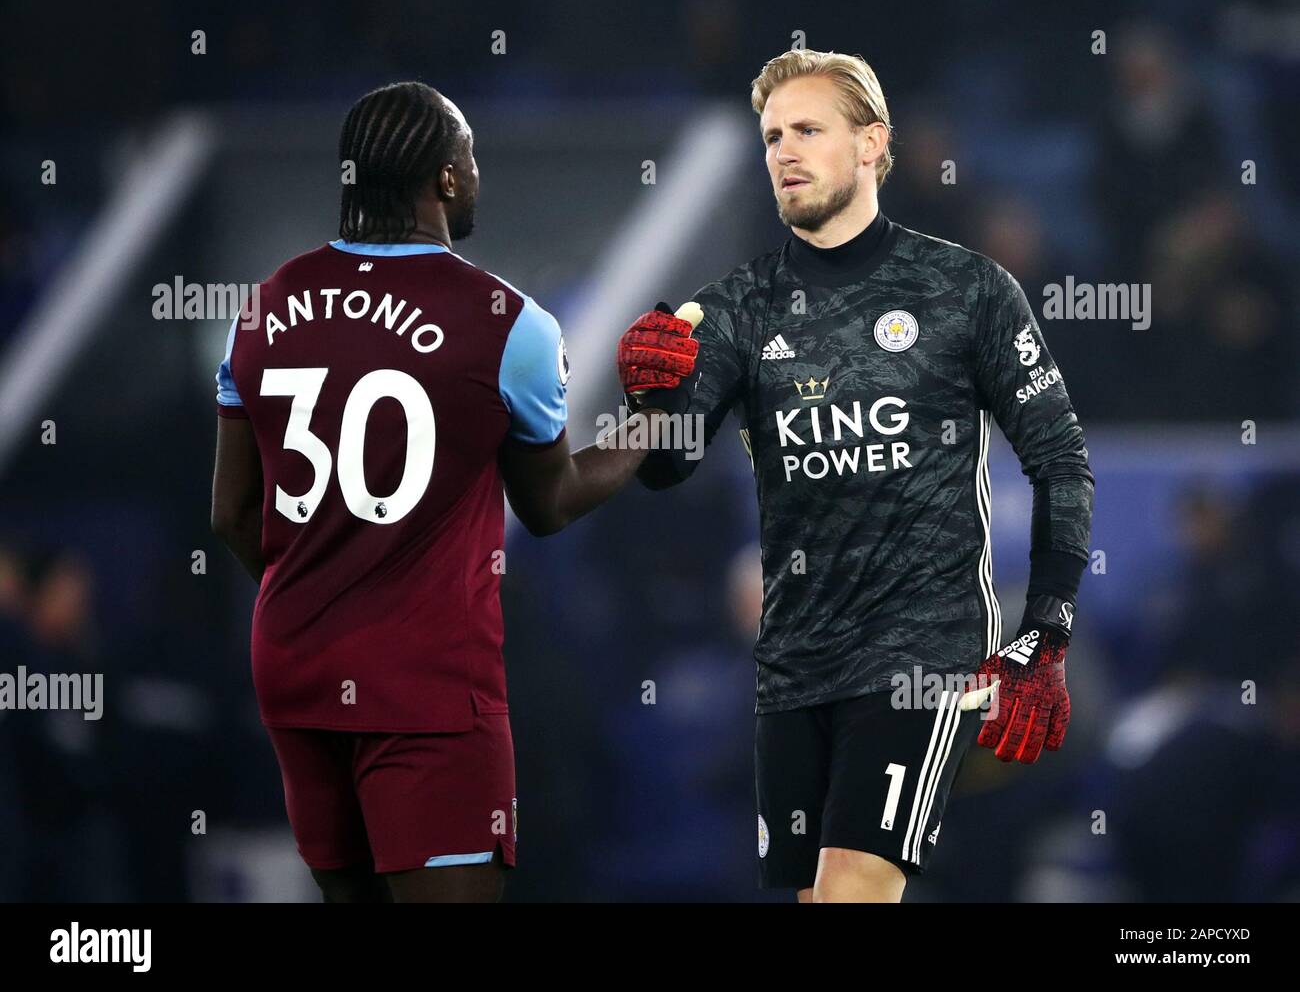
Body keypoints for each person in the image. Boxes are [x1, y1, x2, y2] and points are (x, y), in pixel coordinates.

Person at [616, 49, 1094, 902]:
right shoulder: (737, 307)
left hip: (920, 652)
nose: (784, 152)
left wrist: (1044, 634)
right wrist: (651, 396)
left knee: (850, 892)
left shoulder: (966, 290)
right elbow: (668, 467)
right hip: (794, 659)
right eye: (770, 136)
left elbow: (1060, 461)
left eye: (808, 130)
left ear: (872, 145)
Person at [210, 81, 688, 903]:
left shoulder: (265, 305)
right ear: (445, 179)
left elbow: (229, 514)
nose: (476, 170)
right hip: (427, 688)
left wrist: (324, 607)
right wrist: (651, 426)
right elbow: (550, 503)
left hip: (295, 672)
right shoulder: (509, 322)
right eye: (470, 154)